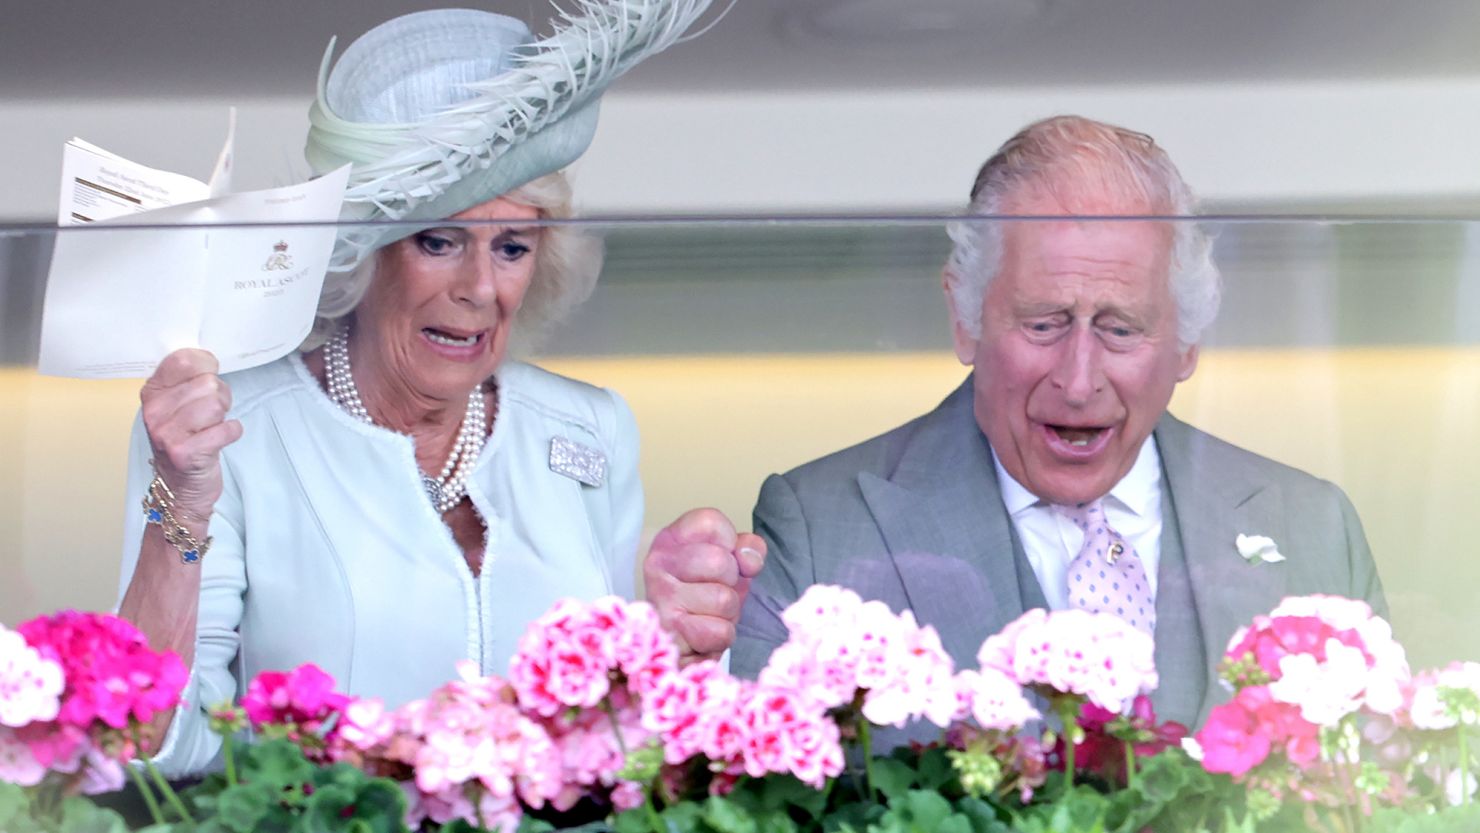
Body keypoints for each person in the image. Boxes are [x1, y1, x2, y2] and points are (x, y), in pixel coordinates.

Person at [116, 2, 763, 778]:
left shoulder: (592, 430)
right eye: (439, 240)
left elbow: (619, 755)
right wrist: (179, 510)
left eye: (514, 246)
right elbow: (151, 746)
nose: (482, 287)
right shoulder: (229, 433)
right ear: (363, 253)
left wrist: (671, 644)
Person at [686, 115, 1386, 730]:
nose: (1078, 381)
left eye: (1120, 328)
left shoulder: (1313, 528)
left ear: (1188, 342)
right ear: (965, 319)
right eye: (1044, 323)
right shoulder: (817, 526)